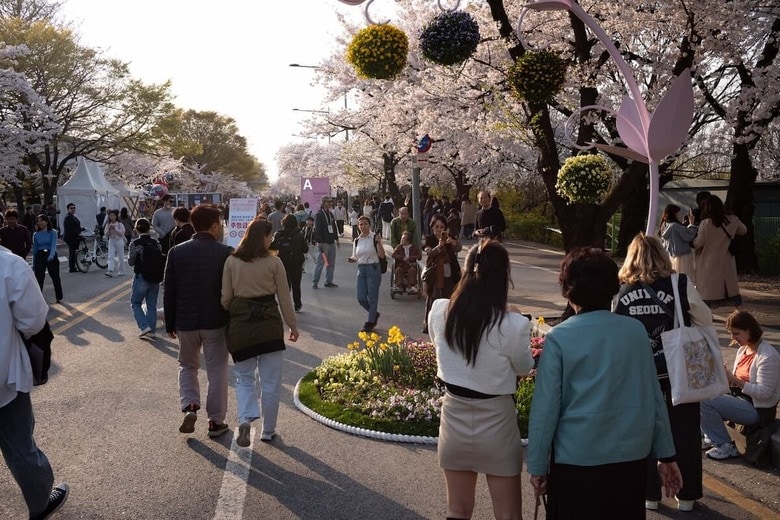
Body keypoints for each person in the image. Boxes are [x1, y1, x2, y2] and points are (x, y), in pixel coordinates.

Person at [528, 247, 682, 519]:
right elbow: (653, 396)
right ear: (613, 287)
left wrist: (538, 465)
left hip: (576, 459)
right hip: (630, 459)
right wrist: (666, 454)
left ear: (568, 290)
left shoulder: (559, 338)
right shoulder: (635, 331)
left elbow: (546, 409)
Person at [429, 241, 534, 520]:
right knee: (508, 515)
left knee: (457, 511)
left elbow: (439, 348)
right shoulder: (513, 323)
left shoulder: (439, 311)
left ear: (465, 270)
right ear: (503, 277)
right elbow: (524, 367)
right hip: (497, 422)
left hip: (454, 417)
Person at [614, 233, 711, 512]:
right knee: (685, 431)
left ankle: (650, 494)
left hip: (640, 373)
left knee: (644, 432)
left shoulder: (622, 290)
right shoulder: (679, 283)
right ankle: (686, 495)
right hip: (679, 370)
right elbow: (704, 318)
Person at [0, 245, 70, 519]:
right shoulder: (9, 264)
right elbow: (33, 321)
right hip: (4, 379)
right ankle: (40, 503)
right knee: (19, 445)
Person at [221, 218, 300, 446]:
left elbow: (225, 298)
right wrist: (292, 326)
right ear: (263, 237)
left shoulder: (232, 261)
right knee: (271, 382)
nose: (272, 239)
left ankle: (245, 418)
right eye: (270, 235)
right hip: (269, 325)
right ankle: (268, 430)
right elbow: (284, 298)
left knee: (244, 377)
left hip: (242, 327)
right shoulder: (274, 262)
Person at [164, 204, 232, 438]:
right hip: (216, 320)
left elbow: (169, 290)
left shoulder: (176, 252)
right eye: (220, 224)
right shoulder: (225, 252)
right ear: (213, 226)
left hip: (185, 321)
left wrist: (170, 323)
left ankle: (190, 405)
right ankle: (215, 422)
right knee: (217, 370)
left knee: (187, 366)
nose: (221, 227)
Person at [700, 311, 780, 460]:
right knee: (701, 391)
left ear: (749, 330)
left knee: (706, 400)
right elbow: (736, 382)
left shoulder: (768, 356)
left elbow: (764, 393)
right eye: (731, 334)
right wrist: (724, 376)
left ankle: (725, 445)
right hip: (740, 399)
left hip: (758, 410)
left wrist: (733, 378)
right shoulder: (743, 350)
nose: (733, 338)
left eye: (736, 334)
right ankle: (710, 436)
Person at [693, 194, 747, 309]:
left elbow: (698, 243)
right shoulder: (733, 219)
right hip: (726, 260)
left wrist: (691, 238)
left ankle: (708, 316)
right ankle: (741, 314)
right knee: (731, 292)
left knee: (707, 294)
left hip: (707, 263)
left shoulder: (705, 223)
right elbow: (743, 231)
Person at [421, 214, 461, 334]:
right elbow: (429, 252)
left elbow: (459, 248)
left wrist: (453, 242)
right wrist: (439, 246)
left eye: (442, 227)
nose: (439, 230)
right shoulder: (429, 239)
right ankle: (428, 324)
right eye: (437, 227)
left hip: (450, 273)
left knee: (449, 299)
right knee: (433, 299)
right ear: (432, 227)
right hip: (434, 274)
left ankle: (448, 324)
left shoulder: (449, 237)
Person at [347, 216, 386, 332]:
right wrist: (352, 259)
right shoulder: (357, 240)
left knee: (372, 297)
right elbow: (355, 255)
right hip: (361, 269)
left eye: (365, 224)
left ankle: (370, 322)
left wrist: (379, 243)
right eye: (361, 224)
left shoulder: (374, 237)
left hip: (373, 268)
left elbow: (382, 255)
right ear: (358, 226)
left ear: (370, 225)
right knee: (361, 298)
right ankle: (374, 314)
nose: (363, 226)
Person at [127, 218, 162, 339]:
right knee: (151, 305)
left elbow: (131, 262)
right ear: (149, 228)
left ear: (136, 229)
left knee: (135, 302)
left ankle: (144, 326)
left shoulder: (135, 244)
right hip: (155, 277)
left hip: (141, 276)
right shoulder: (156, 243)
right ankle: (152, 330)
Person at [271, 214, 308, 312]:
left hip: (282, 262)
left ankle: (285, 304)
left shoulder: (278, 234)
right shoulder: (299, 234)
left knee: (284, 285)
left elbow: (272, 247)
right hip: (296, 263)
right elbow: (305, 249)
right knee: (296, 284)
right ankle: (297, 304)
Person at [658, 204, 698, 285]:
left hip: (671, 258)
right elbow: (689, 236)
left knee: (675, 282)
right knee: (686, 282)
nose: (679, 215)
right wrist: (692, 224)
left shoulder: (664, 226)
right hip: (683, 257)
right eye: (678, 213)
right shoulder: (676, 226)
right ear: (675, 214)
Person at [31, 214, 63, 304]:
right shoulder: (36, 234)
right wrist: (34, 263)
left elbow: (53, 245)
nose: (40, 223)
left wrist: (51, 255)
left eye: (42, 221)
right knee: (39, 278)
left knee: (55, 277)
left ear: (47, 221)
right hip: (40, 255)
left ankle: (59, 297)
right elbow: (35, 250)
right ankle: (38, 299)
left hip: (51, 255)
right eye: (38, 221)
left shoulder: (53, 232)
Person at [312, 196, 339, 289]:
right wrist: (318, 241)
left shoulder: (330, 214)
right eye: (328, 202)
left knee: (331, 263)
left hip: (331, 242)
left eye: (330, 202)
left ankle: (328, 281)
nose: (330, 204)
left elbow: (333, 226)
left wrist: (336, 238)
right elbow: (317, 228)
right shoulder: (319, 215)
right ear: (323, 203)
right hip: (323, 243)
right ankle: (315, 282)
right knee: (320, 263)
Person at [103, 210, 126, 277]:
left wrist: (115, 228)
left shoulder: (120, 224)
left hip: (119, 240)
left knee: (120, 256)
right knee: (110, 256)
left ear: (116, 216)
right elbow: (106, 234)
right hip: (111, 240)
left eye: (113, 215)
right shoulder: (108, 225)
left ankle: (121, 270)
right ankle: (110, 270)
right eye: (111, 216)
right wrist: (109, 229)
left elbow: (122, 233)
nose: (112, 217)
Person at [62, 202, 82, 272]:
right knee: (72, 252)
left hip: (74, 237)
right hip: (71, 237)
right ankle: (72, 267)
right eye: (71, 208)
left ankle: (73, 266)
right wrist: (78, 234)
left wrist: (81, 229)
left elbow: (76, 226)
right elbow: (71, 229)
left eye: (74, 208)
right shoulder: (68, 217)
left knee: (73, 252)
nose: (73, 209)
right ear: (68, 209)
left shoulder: (73, 216)